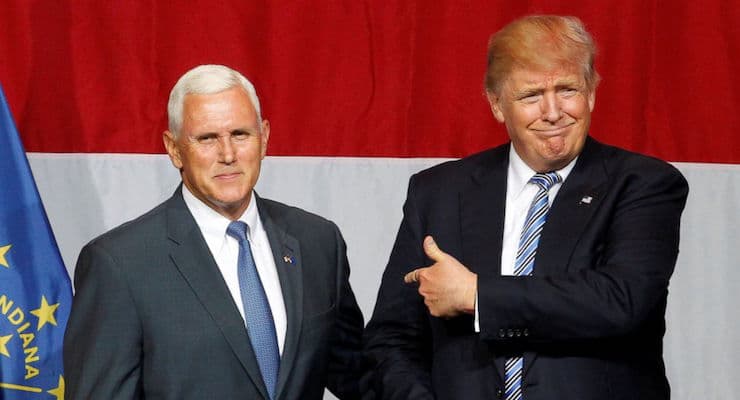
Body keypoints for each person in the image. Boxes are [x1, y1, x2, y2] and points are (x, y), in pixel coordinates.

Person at [363, 15, 688, 400]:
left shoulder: (643, 183)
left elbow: (621, 299)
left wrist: (477, 294)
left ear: (592, 94)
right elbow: (391, 338)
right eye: (531, 96)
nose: (553, 112)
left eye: (568, 89)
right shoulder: (438, 192)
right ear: (497, 104)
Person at [64, 64, 364, 400]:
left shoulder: (317, 241)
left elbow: (361, 376)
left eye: (240, 134)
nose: (228, 155)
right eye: (207, 138)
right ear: (174, 148)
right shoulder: (119, 264)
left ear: (264, 138)